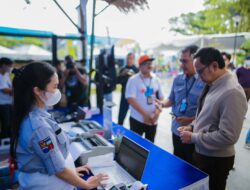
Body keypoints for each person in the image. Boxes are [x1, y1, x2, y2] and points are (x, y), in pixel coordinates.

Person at [10, 62, 107, 189]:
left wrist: (72, 172)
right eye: (55, 87)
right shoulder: (39, 126)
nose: (58, 91)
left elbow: (48, 161)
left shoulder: (35, 114)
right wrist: (87, 184)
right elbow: (58, 169)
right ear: (38, 91)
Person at [179, 47, 248, 190]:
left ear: (214, 66)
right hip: (203, 154)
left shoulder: (231, 92)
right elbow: (205, 114)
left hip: (216, 160)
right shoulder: (213, 83)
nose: (198, 76)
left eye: (200, 71)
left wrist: (193, 137)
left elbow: (228, 136)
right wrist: (192, 126)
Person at [157, 45, 204, 164]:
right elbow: (171, 100)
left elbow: (208, 113)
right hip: (176, 131)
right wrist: (161, 104)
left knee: (192, 168)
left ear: (195, 60)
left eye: (185, 61)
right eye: (181, 61)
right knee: (177, 163)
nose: (182, 65)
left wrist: (190, 119)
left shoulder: (205, 82)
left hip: (194, 134)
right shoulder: (177, 79)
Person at [125, 55, 164, 143]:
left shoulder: (156, 79)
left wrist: (157, 113)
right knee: (135, 145)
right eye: (146, 63)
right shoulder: (133, 80)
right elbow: (131, 99)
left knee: (150, 145)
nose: (149, 65)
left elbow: (161, 98)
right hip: (137, 119)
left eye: (150, 63)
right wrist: (145, 115)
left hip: (153, 120)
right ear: (140, 66)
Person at [117, 53, 139, 125]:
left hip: (134, 97)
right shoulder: (123, 69)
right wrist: (122, 74)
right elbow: (116, 81)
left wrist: (134, 76)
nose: (129, 60)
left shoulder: (137, 70)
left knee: (135, 118)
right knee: (121, 117)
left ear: (134, 60)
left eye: (131, 59)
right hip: (124, 96)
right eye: (128, 58)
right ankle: (119, 131)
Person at [0, 57, 13, 139]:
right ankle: (4, 141)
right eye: (9, 66)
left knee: (10, 124)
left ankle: (8, 140)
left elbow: (10, 87)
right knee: (5, 123)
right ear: (4, 65)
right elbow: (4, 90)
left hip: (9, 103)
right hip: (2, 104)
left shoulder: (6, 75)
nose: (10, 68)